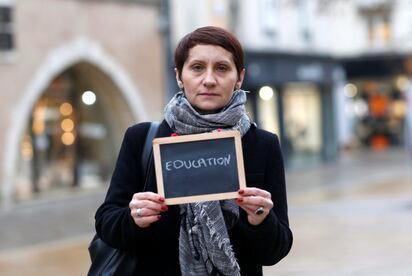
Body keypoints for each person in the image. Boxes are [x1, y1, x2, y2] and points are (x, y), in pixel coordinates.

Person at [94, 26, 293, 275]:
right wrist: (133, 218)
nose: (209, 80)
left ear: (239, 77)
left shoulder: (262, 145)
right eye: (197, 67)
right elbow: (106, 223)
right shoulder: (143, 139)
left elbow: (277, 249)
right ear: (180, 75)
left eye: (222, 68)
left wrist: (261, 219)